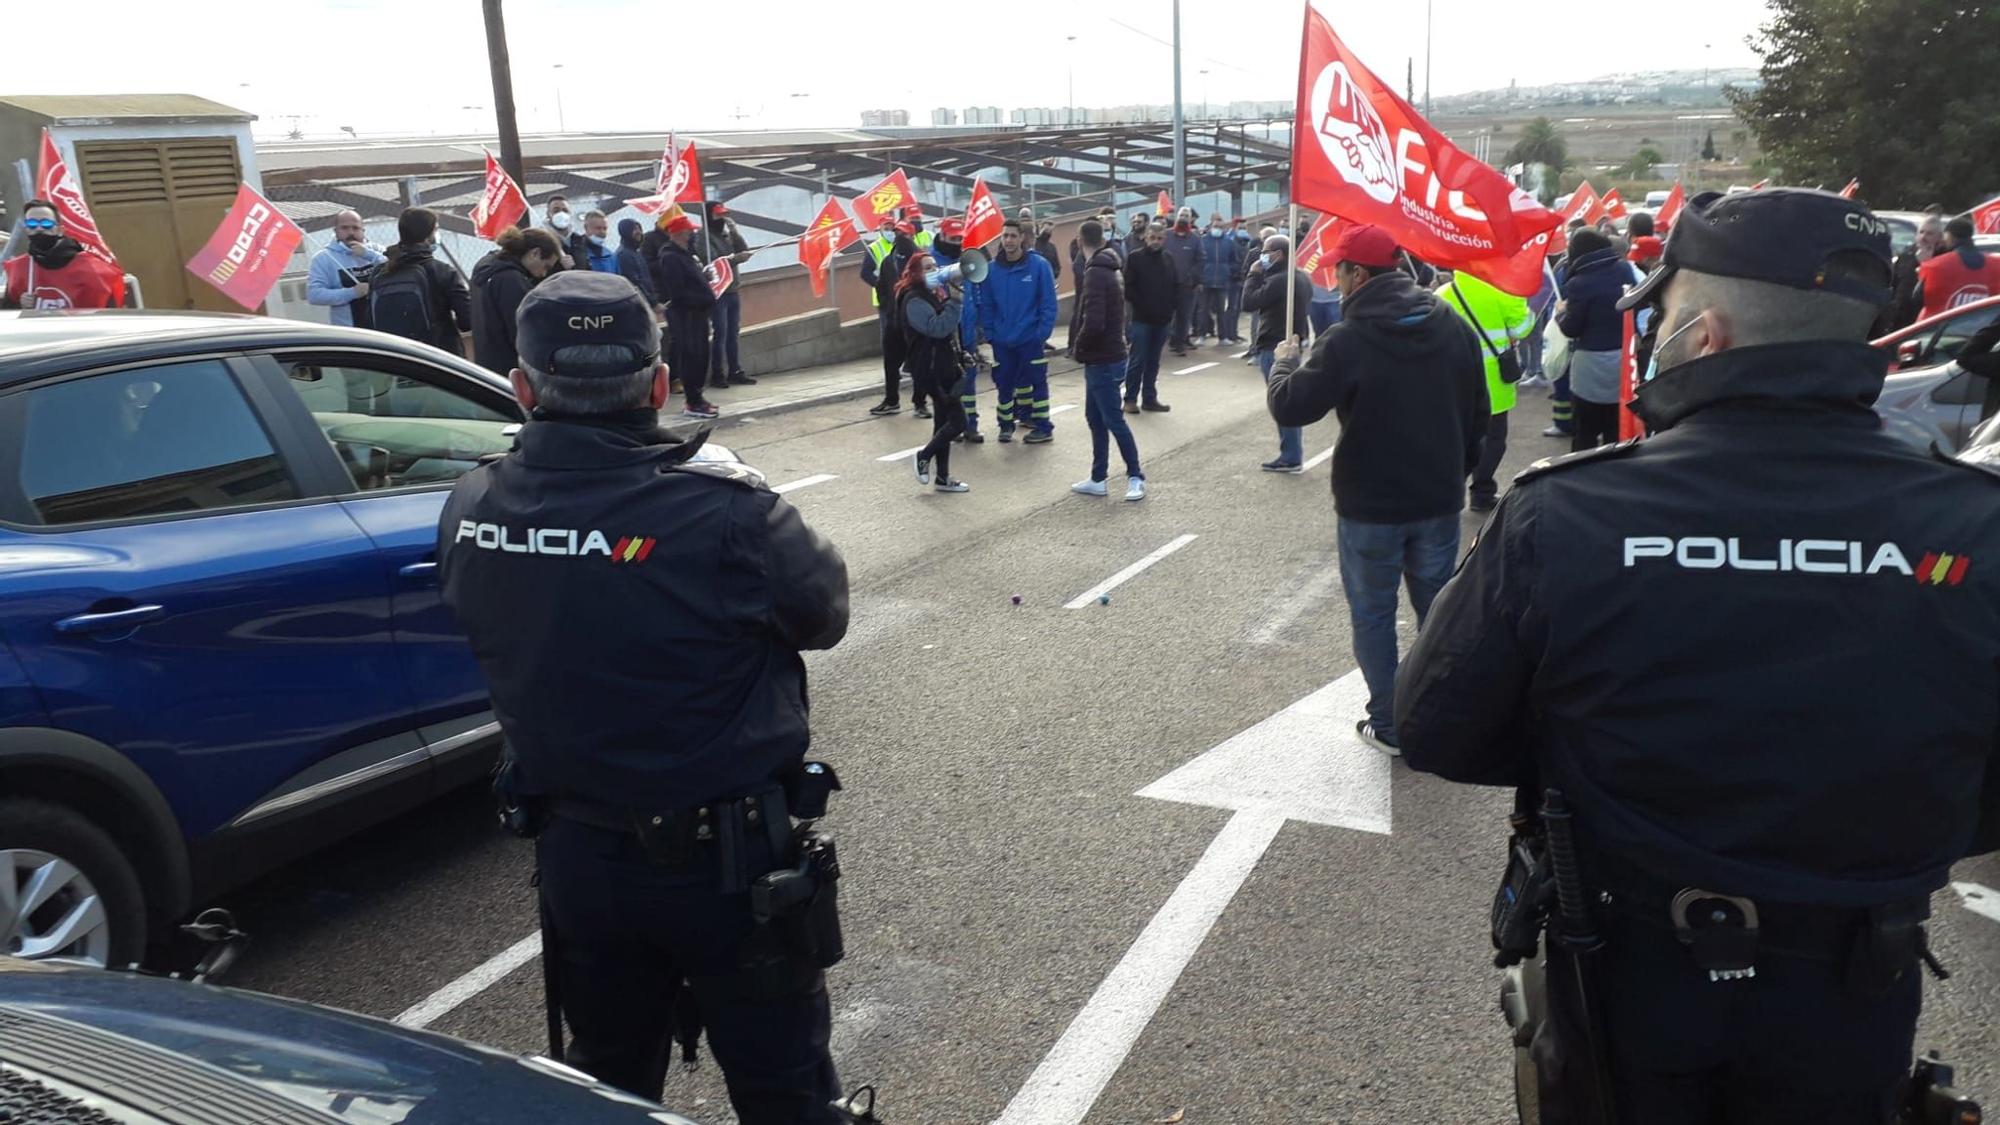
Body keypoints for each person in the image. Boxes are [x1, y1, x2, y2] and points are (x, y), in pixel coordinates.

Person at [1395, 187, 2000, 1125]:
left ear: (1707, 333)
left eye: (1665, 318)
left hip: (1631, 962)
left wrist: (1591, 750)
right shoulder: (1976, 521)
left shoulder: (1568, 510)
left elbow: (1436, 724)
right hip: (1855, 977)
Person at [437, 270, 853, 1125]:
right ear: (659, 385)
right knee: (788, 1098)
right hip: (730, 871)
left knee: (606, 1092)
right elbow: (823, 613)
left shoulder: (472, 502)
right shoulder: (728, 510)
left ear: (522, 388)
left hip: (578, 860)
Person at [1267, 222, 1487, 754]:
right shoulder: (1450, 324)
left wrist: (1282, 364)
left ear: (1358, 274)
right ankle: (1443, 715)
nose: (1336, 281)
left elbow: (1292, 406)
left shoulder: (1349, 338)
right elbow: (1479, 411)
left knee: (1373, 614)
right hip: (1437, 499)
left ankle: (1389, 725)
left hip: (1370, 506)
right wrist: (1459, 472)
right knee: (1437, 611)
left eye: (1340, 271)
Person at [1438, 268, 1531, 513]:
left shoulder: (1442, 294)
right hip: (1493, 385)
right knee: (1493, 442)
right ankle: (1481, 491)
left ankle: (1449, 491)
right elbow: (1523, 329)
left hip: (1453, 383)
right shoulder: (1502, 291)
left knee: (1455, 439)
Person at [1070, 220, 1146, 501]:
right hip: (1109, 354)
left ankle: (1136, 476)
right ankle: (1098, 477)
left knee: (1113, 420)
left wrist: (1078, 348)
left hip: (1102, 357)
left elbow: (1094, 321)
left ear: (1079, 241)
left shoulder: (1095, 273)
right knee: (1095, 417)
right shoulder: (1110, 268)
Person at [975, 219, 1060, 444]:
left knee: (1037, 383)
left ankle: (1043, 427)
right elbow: (987, 305)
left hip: (1030, 339)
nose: (1009, 240)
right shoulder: (992, 270)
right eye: (1005, 236)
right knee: (1004, 384)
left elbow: (1049, 303)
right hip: (1002, 341)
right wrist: (991, 334)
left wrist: (1041, 334)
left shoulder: (1039, 265)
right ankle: (1005, 425)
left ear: (1022, 237)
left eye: (1013, 235)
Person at [897, 253, 972, 493]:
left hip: (943, 365)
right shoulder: (913, 300)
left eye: (935, 266)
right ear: (915, 272)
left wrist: (961, 354)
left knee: (943, 421)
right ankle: (923, 455)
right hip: (930, 370)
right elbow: (938, 328)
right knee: (959, 421)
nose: (933, 271)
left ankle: (943, 477)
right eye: (927, 268)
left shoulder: (932, 295)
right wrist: (956, 302)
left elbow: (949, 334)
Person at [1242, 233, 1313, 472]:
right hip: (1291, 343)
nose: (1261, 256)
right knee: (1288, 398)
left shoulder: (1280, 280)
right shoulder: (1300, 278)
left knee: (1282, 401)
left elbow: (1249, 302)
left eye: (1266, 252)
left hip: (1275, 346)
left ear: (1278, 254)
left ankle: (1290, 456)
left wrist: (1253, 274)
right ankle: (1291, 452)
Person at [1556, 227, 1630, 451]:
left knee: (1585, 430)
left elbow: (1571, 329)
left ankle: (1583, 475)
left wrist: (1561, 312)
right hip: (1623, 359)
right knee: (1615, 429)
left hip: (1590, 364)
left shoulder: (1579, 283)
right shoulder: (1624, 270)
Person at [367, 207, 473, 354]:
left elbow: (371, 319)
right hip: (441, 357)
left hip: (396, 356)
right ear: (428, 235)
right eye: (436, 229)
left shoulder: (380, 272)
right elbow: (467, 321)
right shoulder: (442, 271)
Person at [470, 226, 563, 375]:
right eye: (546, 266)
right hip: (512, 368)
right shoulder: (512, 281)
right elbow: (523, 333)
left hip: (486, 363)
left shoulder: (486, 270)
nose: (543, 274)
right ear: (535, 253)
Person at [1, 199, 124, 310]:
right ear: (27, 229)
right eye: (32, 224)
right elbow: (7, 314)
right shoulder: (21, 268)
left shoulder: (92, 270)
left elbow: (109, 316)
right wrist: (20, 305)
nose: (39, 229)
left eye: (46, 224)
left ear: (60, 230)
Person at [927, 218, 987, 442]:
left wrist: (980, 328)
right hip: (945, 335)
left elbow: (976, 294)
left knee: (969, 381)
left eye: (960, 239)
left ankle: (970, 425)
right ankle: (950, 426)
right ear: (941, 237)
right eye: (953, 239)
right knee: (946, 384)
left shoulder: (966, 259)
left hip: (967, 333)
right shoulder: (931, 263)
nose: (957, 243)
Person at [656, 210, 719, 419]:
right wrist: (701, 299)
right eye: (687, 231)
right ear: (678, 232)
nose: (690, 234)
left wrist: (704, 280)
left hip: (698, 314)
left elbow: (692, 280)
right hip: (686, 316)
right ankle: (692, 400)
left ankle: (698, 397)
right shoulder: (670, 257)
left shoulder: (686, 254)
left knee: (702, 355)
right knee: (691, 356)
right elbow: (678, 292)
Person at [1121, 222, 1178, 414]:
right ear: (1146, 237)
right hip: (1142, 319)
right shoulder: (1135, 258)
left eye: (1159, 238)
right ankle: (1129, 399)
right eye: (1152, 238)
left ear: (1164, 239)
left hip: (1162, 320)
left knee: (1154, 361)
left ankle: (1149, 399)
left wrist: (1171, 309)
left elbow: (1175, 286)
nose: (1156, 242)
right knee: (1137, 360)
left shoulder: (1168, 259)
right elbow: (1128, 288)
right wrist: (1144, 305)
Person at [867, 221, 921, 417]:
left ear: (912, 237)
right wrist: (889, 309)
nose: (898, 237)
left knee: (917, 364)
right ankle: (891, 401)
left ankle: (920, 403)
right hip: (894, 321)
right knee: (891, 363)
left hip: (915, 322)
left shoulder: (921, 262)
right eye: (896, 233)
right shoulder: (888, 261)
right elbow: (881, 288)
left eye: (903, 234)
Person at [307, 209, 386, 328]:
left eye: (355, 228)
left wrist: (369, 254)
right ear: (336, 231)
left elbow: (396, 268)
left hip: (383, 326)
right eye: (344, 228)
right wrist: (352, 293)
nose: (351, 232)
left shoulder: (377, 250)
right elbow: (315, 295)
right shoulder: (324, 258)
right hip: (351, 330)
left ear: (363, 230)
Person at [706, 202, 756, 388]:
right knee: (721, 332)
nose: (722, 219)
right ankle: (718, 374)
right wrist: (736, 259)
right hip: (719, 292)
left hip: (733, 289)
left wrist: (734, 231)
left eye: (724, 215)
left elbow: (742, 248)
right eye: (718, 216)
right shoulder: (704, 237)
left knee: (733, 332)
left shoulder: (725, 234)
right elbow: (712, 261)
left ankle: (735, 370)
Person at [1914, 216, 2000, 321]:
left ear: (1949, 236)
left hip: (1940, 328)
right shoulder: (1996, 264)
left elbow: (1917, 298)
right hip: (1981, 327)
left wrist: (1923, 263)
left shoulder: (1934, 265)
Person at [1877, 213, 1944, 335]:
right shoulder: (1906, 255)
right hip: (1897, 319)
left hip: (1922, 321)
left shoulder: (1943, 259)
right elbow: (1893, 283)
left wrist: (1925, 265)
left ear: (1939, 237)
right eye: (1921, 232)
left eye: (1929, 234)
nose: (1923, 237)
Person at [1163, 207, 1205, 352]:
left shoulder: (1195, 239)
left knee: (1184, 315)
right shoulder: (1166, 235)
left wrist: (1192, 277)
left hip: (1186, 285)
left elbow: (1200, 260)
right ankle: (1166, 341)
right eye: (1181, 214)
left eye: (1186, 215)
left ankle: (1179, 343)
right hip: (1166, 285)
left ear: (1190, 219)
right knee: (1165, 314)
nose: (1183, 217)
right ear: (1176, 216)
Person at [1197, 214, 1239, 343]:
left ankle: (1223, 337)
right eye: (1215, 226)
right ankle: (1201, 335)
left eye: (1220, 226)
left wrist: (1229, 272)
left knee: (1222, 310)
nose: (1217, 228)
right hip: (1206, 281)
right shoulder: (1202, 241)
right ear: (1211, 225)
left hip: (1222, 282)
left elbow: (1234, 260)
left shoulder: (1229, 242)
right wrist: (1200, 277)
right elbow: (1198, 260)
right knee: (1203, 310)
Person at [614, 218, 661, 312]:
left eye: (639, 228)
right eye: (634, 229)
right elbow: (635, 282)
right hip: (638, 306)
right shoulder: (624, 254)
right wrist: (653, 303)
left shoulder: (635, 252)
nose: (639, 232)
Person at [542, 194, 585, 270]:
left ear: (570, 214)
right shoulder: (543, 240)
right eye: (556, 210)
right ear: (548, 214)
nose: (561, 214)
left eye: (565, 210)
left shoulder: (579, 239)